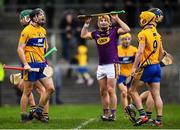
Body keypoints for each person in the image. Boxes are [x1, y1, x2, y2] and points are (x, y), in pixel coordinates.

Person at [80, 14, 130, 121]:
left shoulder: (114, 31)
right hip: (101, 66)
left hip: (113, 64)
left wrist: (117, 19)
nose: (103, 22)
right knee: (103, 91)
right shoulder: (96, 33)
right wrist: (87, 23)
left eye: (105, 20)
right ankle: (106, 114)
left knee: (111, 89)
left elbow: (127, 29)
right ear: (98, 23)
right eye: (101, 20)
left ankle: (113, 114)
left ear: (109, 23)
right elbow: (83, 35)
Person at [126, 8, 165, 126]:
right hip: (157, 67)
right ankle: (158, 121)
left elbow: (139, 52)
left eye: (143, 18)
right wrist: (156, 62)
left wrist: (133, 68)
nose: (141, 20)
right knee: (156, 94)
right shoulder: (158, 34)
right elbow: (162, 53)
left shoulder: (142, 33)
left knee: (132, 90)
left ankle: (143, 116)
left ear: (147, 20)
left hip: (147, 67)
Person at [17, 8, 55, 123]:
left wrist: (42, 53)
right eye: (40, 15)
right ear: (34, 18)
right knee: (27, 91)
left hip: (42, 64)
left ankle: (38, 112)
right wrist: (25, 64)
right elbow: (19, 49)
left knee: (50, 88)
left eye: (43, 14)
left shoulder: (43, 30)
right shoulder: (26, 31)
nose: (43, 17)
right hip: (31, 64)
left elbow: (45, 45)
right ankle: (24, 116)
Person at [117, 33, 137, 117]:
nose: (127, 41)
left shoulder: (134, 50)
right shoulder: (116, 49)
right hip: (121, 75)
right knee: (124, 93)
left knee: (130, 94)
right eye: (125, 39)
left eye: (129, 39)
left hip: (131, 75)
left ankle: (130, 110)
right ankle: (126, 111)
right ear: (121, 40)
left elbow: (138, 61)